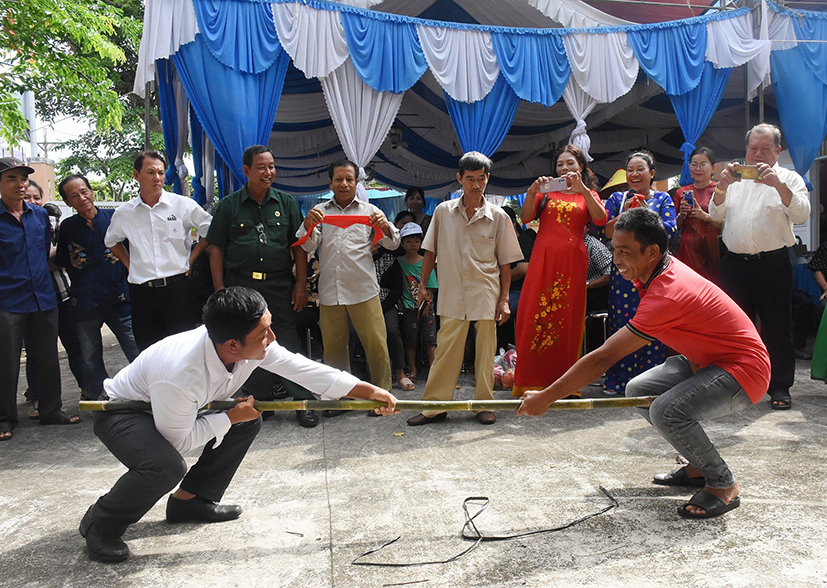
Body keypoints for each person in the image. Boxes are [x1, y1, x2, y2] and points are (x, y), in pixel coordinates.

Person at [79, 286, 398, 563]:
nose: (271, 339)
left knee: (247, 422)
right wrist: (230, 416)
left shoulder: (249, 343)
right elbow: (178, 442)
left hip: (179, 406)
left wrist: (368, 390)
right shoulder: (181, 373)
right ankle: (101, 522)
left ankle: (190, 502)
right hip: (123, 412)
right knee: (165, 465)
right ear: (232, 345)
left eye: (269, 327)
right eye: (264, 334)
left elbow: (304, 370)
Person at [518, 208, 770, 520]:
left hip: (743, 372)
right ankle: (697, 466)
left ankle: (722, 484)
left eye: (624, 252)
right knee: (639, 389)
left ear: (652, 252)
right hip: (708, 361)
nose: (616, 259)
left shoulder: (667, 292)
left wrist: (546, 397)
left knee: (667, 411)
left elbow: (604, 357)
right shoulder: (657, 270)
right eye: (614, 250)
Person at [407, 151, 522, 426]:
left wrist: (504, 299)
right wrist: (423, 286)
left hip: (485, 290)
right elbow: (430, 252)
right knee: (446, 349)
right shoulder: (443, 212)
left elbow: (506, 262)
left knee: (485, 350)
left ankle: (484, 404)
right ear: (459, 179)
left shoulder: (498, 217)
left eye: (481, 178)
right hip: (453, 290)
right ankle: (435, 406)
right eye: (470, 178)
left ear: (487, 179)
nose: (475, 184)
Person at [206, 145, 318, 428]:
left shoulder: (286, 203)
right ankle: (262, 401)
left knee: (288, 342)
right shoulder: (229, 205)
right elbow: (216, 249)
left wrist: (301, 284)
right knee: (247, 344)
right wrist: (221, 291)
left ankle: (301, 402)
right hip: (241, 286)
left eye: (271, 166)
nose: (268, 172)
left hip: (280, 284)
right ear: (246, 170)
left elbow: (299, 247)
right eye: (261, 167)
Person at [709, 123, 810, 410]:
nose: (759, 154)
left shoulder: (789, 178)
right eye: (753, 148)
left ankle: (779, 386)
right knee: (734, 327)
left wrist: (777, 185)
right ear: (746, 149)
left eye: (766, 148)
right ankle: (734, 385)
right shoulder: (735, 178)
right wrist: (722, 186)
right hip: (735, 264)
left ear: (778, 151)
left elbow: (802, 213)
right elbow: (716, 214)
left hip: (773, 263)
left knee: (777, 327)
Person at [296, 160, 400, 416]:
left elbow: (393, 244)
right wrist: (309, 224)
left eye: (349, 179)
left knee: (376, 344)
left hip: (364, 289)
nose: (344, 184)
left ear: (357, 183)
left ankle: (382, 398)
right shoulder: (319, 211)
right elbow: (308, 246)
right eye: (339, 179)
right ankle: (338, 401)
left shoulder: (370, 211)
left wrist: (384, 225)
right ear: (329, 183)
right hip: (331, 291)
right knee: (333, 349)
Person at [513, 145, 608, 396]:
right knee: (534, 317)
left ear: (581, 167)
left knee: (567, 320)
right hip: (543, 260)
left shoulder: (589, 194)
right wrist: (532, 191)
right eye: (560, 164)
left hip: (571, 263)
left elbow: (600, 220)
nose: (564, 168)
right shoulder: (546, 192)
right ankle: (529, 381)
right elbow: (525, 218)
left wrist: (584, 191)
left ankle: (564, 386)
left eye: (570, 163)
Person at [0, 157, 79, 441]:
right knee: (7, 363)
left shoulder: (39, 217)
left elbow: (46, 252)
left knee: (47, 358)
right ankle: (5, 419)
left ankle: (51, 411)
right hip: (8, 301)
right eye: (12, 179)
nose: (20, 184)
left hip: (43, 298)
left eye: (23, 179)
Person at [104, 151, 212, 351]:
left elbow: (210, 230)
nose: (158, 178)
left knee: (183, 350)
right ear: (136, 175)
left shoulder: (182, 205)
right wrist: (130, 264)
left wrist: (192, 258)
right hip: (142, 293)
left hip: (177, 289)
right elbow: (111, 241)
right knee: (148, 350)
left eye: (161, 173)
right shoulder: (124, 213)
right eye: (151, 172)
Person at [54, 175, 140, 401]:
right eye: (74, 196)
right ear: (68, 203)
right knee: (89, 354)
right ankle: (99, 397)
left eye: (84, 191)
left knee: (136, 349)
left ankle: (146, 391)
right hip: (85, 301)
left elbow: (134, 251)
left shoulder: (114, 218)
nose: (81, 198)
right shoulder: (68, 228)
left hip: (120, 297)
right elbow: (63, 259)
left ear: (91, 192)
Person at [603, 150, 677, 396]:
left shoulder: (663, 199)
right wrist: (625, 214)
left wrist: (648, 216)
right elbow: (605, 231)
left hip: (653, 272)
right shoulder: (617, 197)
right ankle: (619, 380)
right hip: (624, 272)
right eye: (631, 170)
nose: (635, 174)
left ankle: (650, 380)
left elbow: (669, 231)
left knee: (654, 323)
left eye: (640, 169)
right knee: (622, 323)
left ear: (652, 173)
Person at [22, 179, 86, 416]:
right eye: (27, 198)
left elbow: (63, 256)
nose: (32, 202)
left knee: (75, 345)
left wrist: (43, 259)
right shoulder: (16, 223)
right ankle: (38, 398)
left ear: (43, 198)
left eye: (36, 197)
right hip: (30, 300)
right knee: (36, 352)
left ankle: (87, 389)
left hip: (63, 294)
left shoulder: (54, 221)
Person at [673, 147, 721, 282]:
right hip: (686, 249)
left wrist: (705, 217)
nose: (698, 169)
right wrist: (681, 216)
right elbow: (673, 227)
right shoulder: (680, 192)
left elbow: (729, 224)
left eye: (703, 164)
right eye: (694, 165)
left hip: (712, 249)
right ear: (689, 167)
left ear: (713, 167)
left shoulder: (719, 191)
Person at [396, 222, 438, 382]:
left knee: (430, 339)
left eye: (416, 241)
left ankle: (434, 370)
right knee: (410, 340)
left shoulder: (425, 261)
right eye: (408, 241)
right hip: (408, 307)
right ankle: (412, 369)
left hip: (427, 306)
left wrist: (426, 302)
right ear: (402, 243)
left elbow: (432, 286)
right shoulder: (399, 261)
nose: (413, 244)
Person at [372, 240, 410, 390]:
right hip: (360, 304)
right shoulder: (357, 260)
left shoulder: (389, 259)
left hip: (386, 305)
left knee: (392, 330)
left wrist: (382, 307)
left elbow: (396, 288)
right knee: (352, 332)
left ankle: (400, 373)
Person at [497, 205, 535, 350]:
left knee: (496, 314)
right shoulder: (500, 244)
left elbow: (523, 269)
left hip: (522, 293)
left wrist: (497, 279)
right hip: (503, 291)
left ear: (513, 222)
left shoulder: (525, 239)